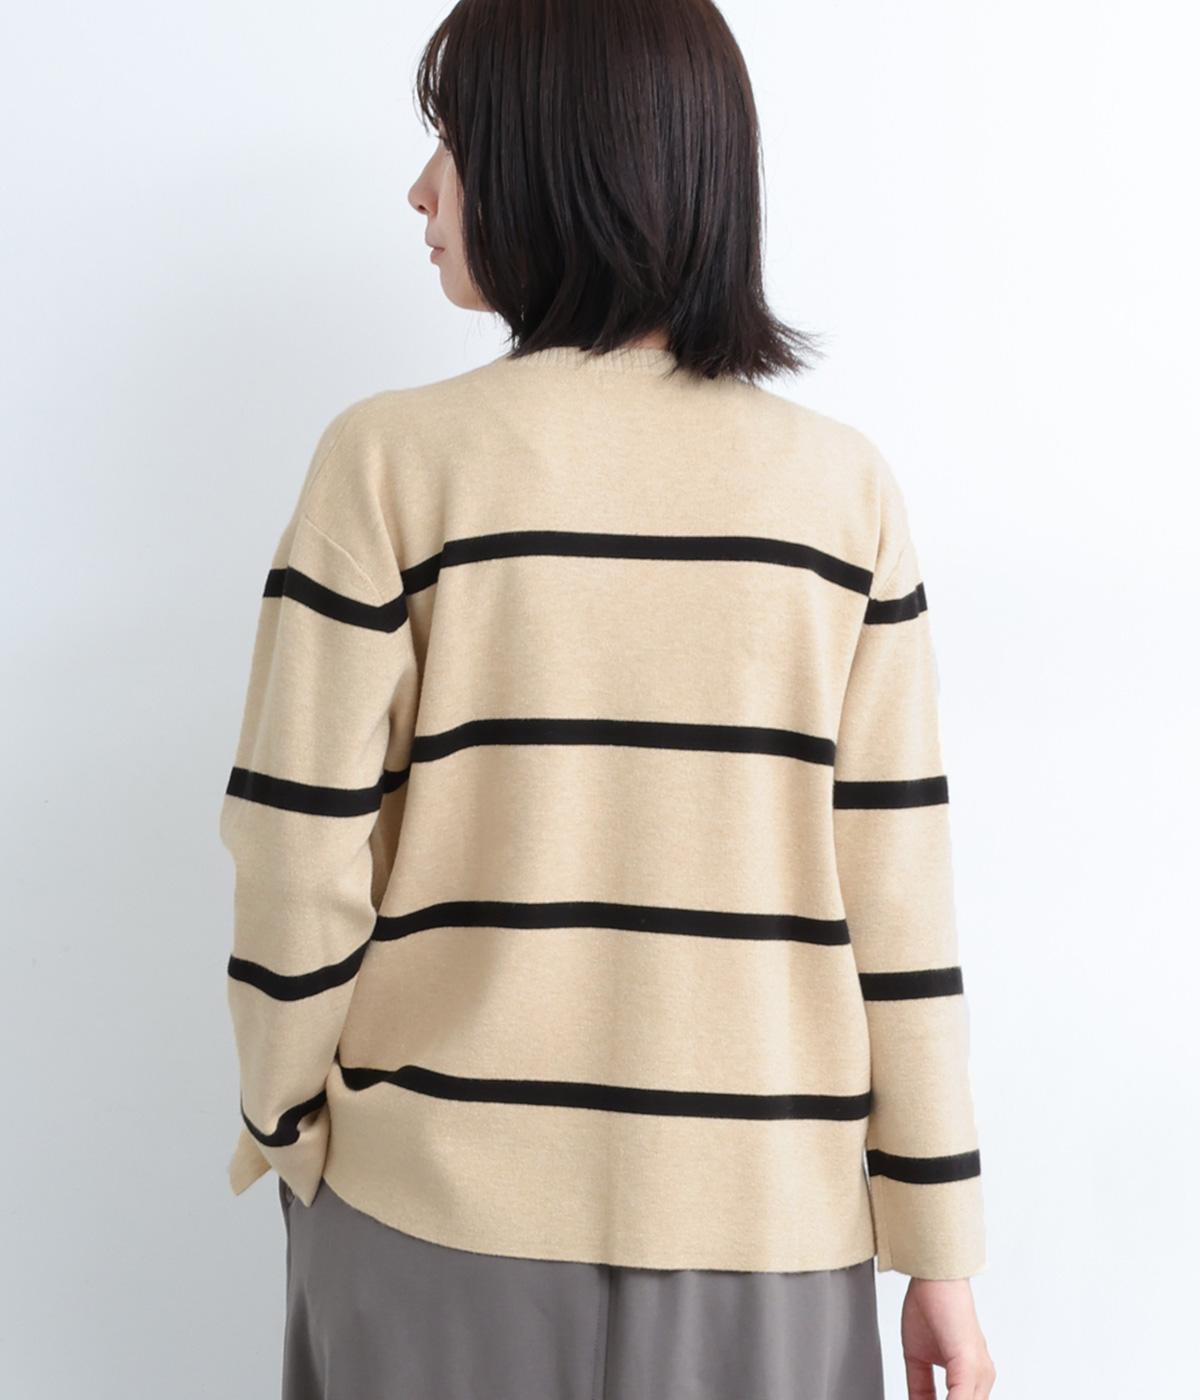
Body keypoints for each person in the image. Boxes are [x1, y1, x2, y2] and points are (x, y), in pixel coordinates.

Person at [218, 2, 997, 1396]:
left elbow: (298, 852)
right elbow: (899, 896)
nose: (421, 190)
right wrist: (938, 1248)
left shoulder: (390, 463)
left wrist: (289, 1124)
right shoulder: (841, 493)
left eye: (453, 142)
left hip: (429, 1219)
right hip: (770, 1240)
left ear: (555, 156)